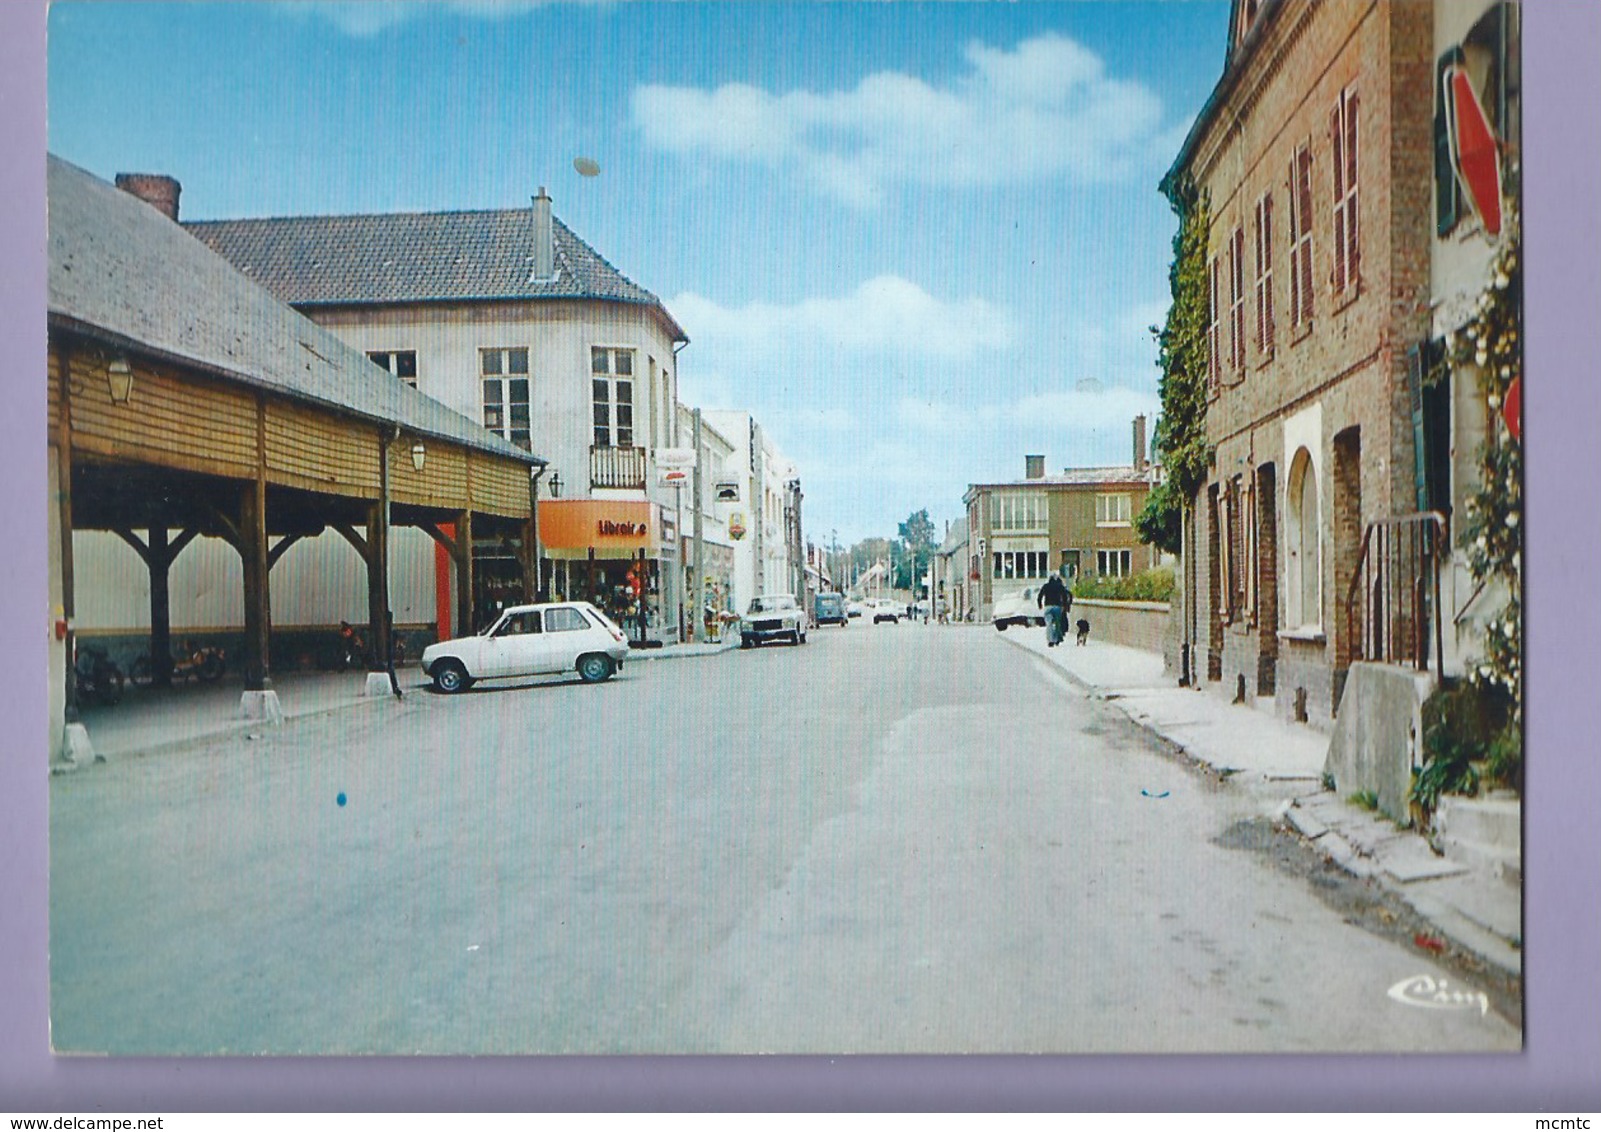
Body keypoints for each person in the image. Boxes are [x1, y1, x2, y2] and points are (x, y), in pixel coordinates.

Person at [1038, 573, 1071, 647]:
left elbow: (1040, 596)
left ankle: (1050, 640)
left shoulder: (1045, 586)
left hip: (1048, 606)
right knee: (1057, 623)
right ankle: (1056, 639)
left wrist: (1040, 605)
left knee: (1049, 624)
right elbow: (1065, 596)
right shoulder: (1059, 586)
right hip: (1057, 607)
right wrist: (1064, 606)